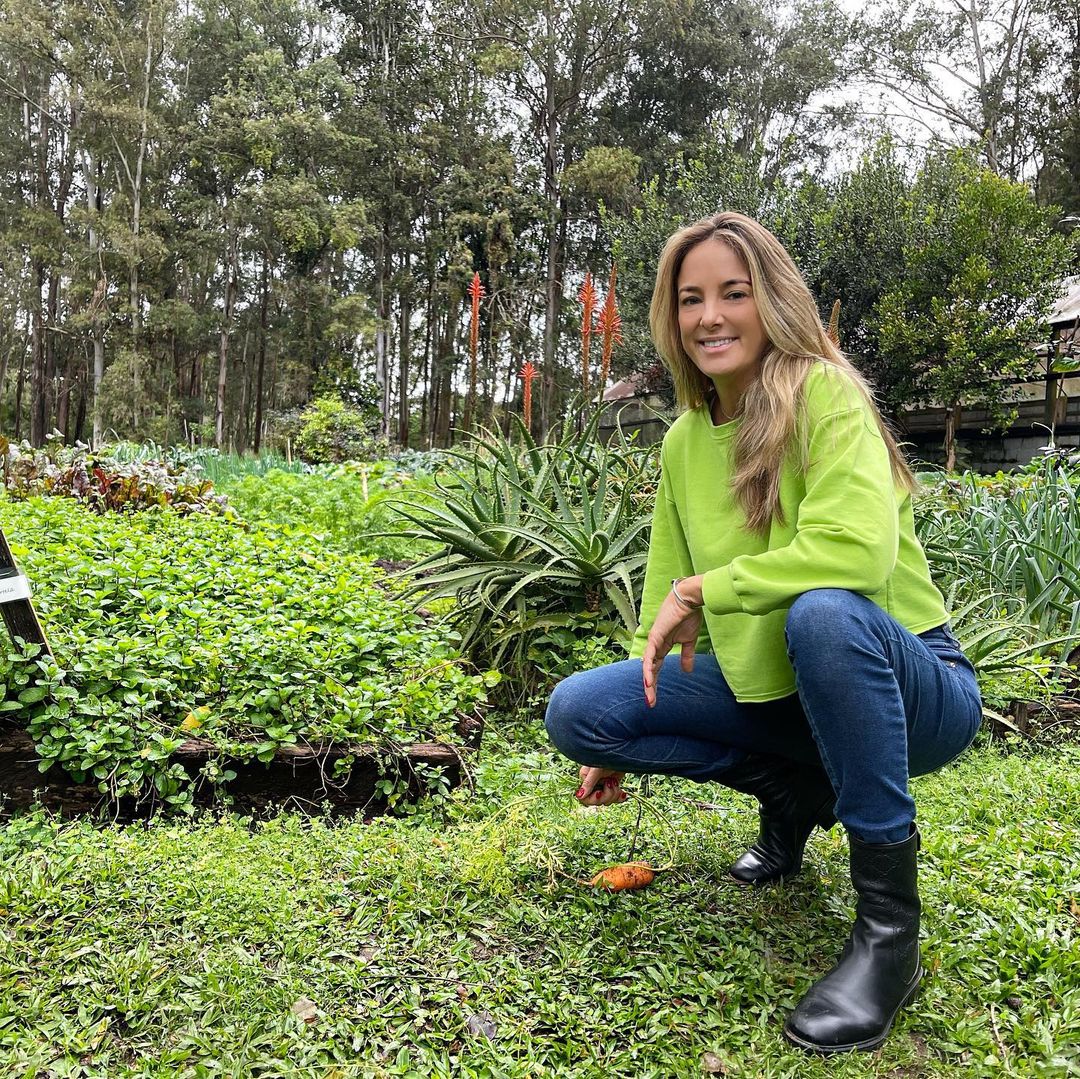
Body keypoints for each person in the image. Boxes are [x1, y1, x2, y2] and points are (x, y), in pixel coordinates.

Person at [544, 212, 983, 1054]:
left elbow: (854, 552)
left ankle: (889, 932)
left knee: (823, 612)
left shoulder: (826, 392)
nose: (710, 316)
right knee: (579, 712)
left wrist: (714, 586)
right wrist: (629, 723)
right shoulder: (682, 441)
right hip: (780, 686)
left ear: (770, 299)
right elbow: (669, 595)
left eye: (733, 294)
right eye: (690, 299)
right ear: (671, 320)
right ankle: (791, 790)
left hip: (908, 681)